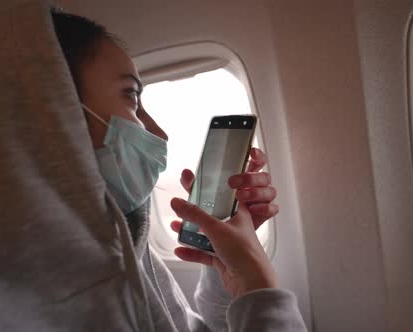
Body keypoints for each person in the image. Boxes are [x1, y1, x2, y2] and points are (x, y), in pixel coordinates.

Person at [51, 8, 307, 331]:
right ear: (54, 111)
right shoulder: (53, 298)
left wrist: (230, 271)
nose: (159, 134)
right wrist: (259, 283)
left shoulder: (125, 234)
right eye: (131, 96)